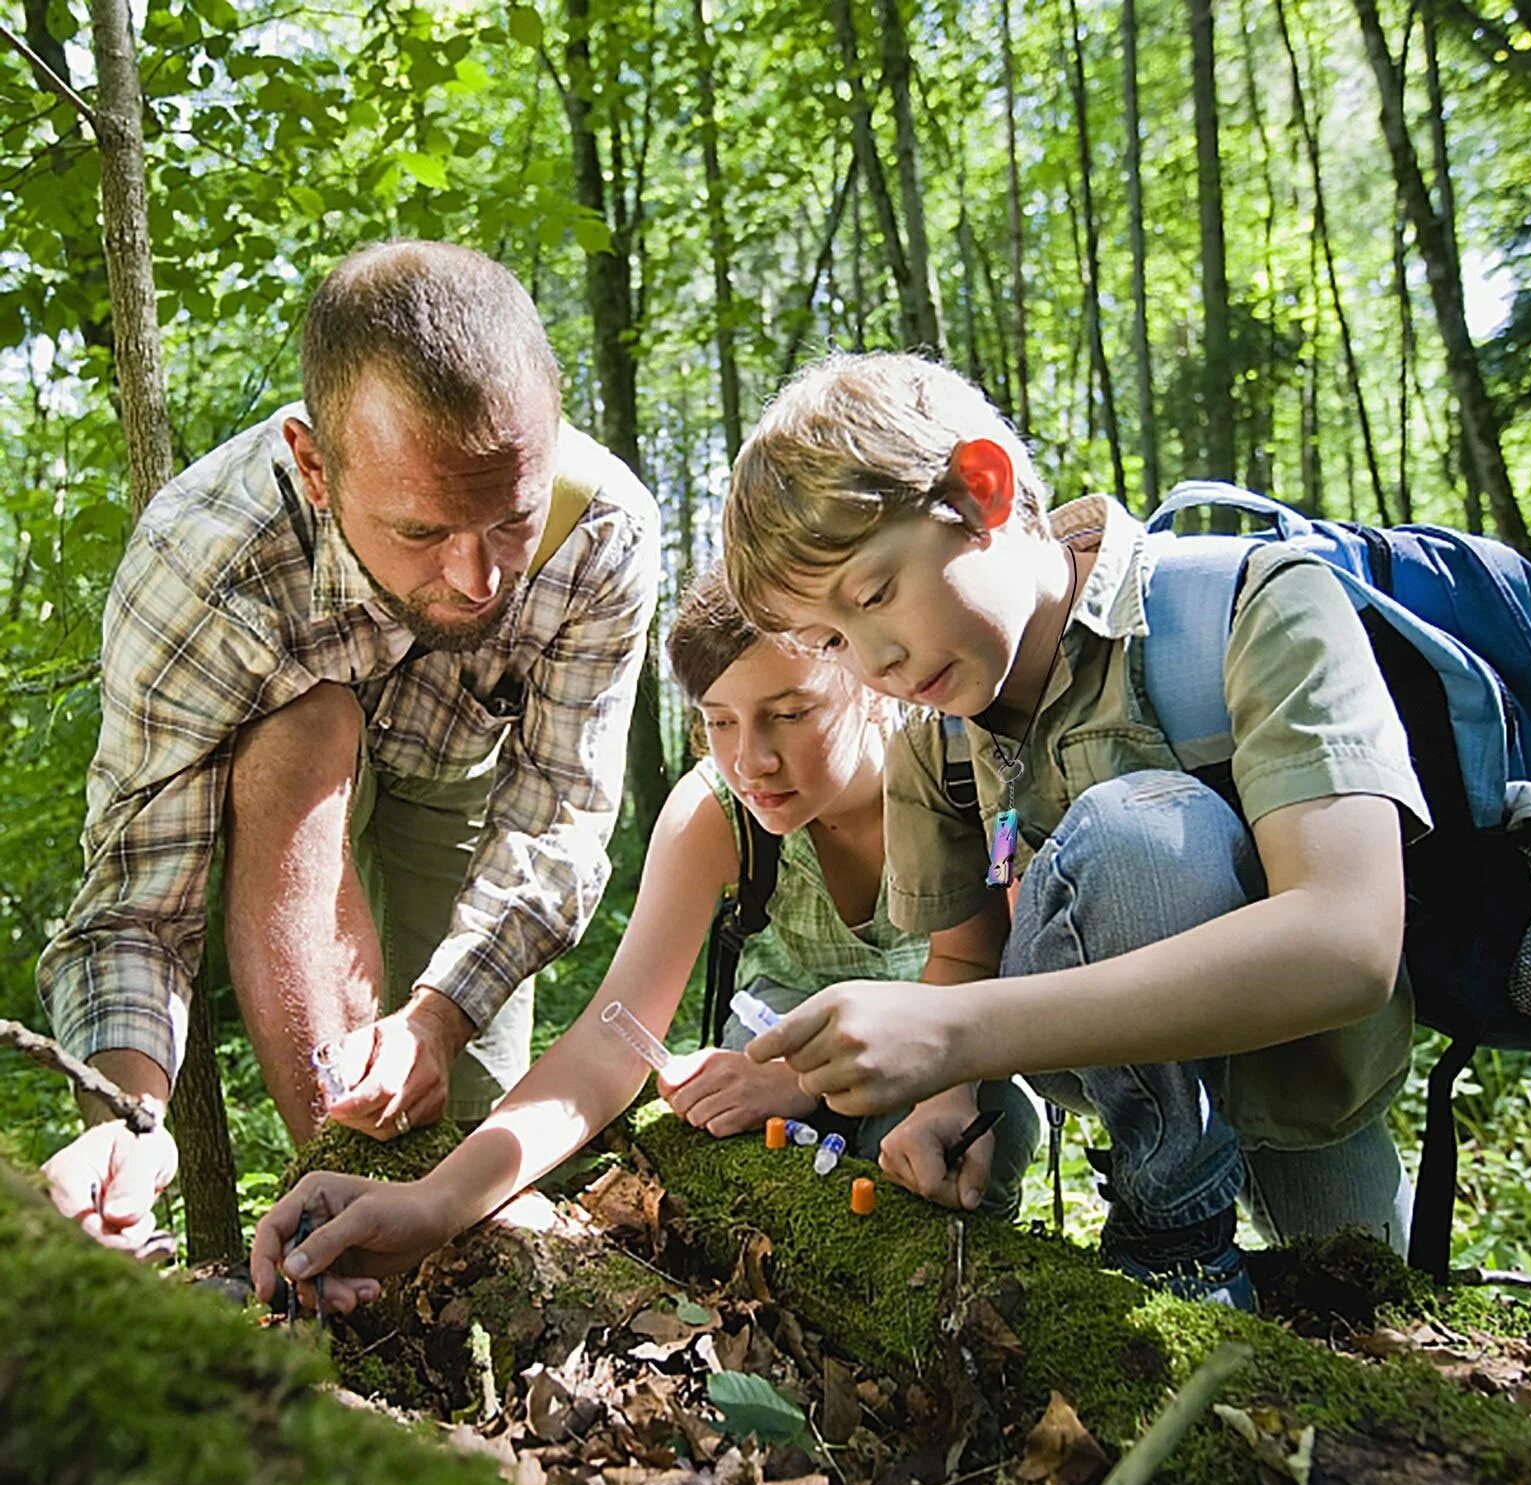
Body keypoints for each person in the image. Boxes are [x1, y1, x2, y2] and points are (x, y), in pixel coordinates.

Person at [719, 351, 1426, 1310]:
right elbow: (965, 959)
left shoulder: (1255, 606)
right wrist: (947, 1099)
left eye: (875, 594)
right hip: (1137, 1113)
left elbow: (1350, 942)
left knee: (1380, 1318)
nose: (876, 661)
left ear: (983, 489)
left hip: (1309, 1088)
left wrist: (959, 1036)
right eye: (834, 642)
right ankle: (1174, 1240)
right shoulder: (935, 738)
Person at [37, 240, 660, 1256]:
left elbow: (558, 812)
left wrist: (440, 1016)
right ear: (316, 467)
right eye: (421, 530)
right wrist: (128, 1115)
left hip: (461, 784)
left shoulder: (604, 533)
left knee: (467, 1136)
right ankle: (333, 1204)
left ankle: (453, 1295)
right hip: (287, 791)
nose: (478, 578)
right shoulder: (203, 564)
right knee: (304, 726)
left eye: (510, 518)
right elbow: (136, 905)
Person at [248, 567, 1040, 1316]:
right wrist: (435, 1202)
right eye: (719, 722)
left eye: (790, 713)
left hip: (938, 1060)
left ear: (866, 680)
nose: (752, 760)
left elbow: (982, 980)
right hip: (762, 1060)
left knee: (991, 1128)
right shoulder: (716, 814)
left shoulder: (950, 777)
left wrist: (806, 1085)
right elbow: (607, 1046)